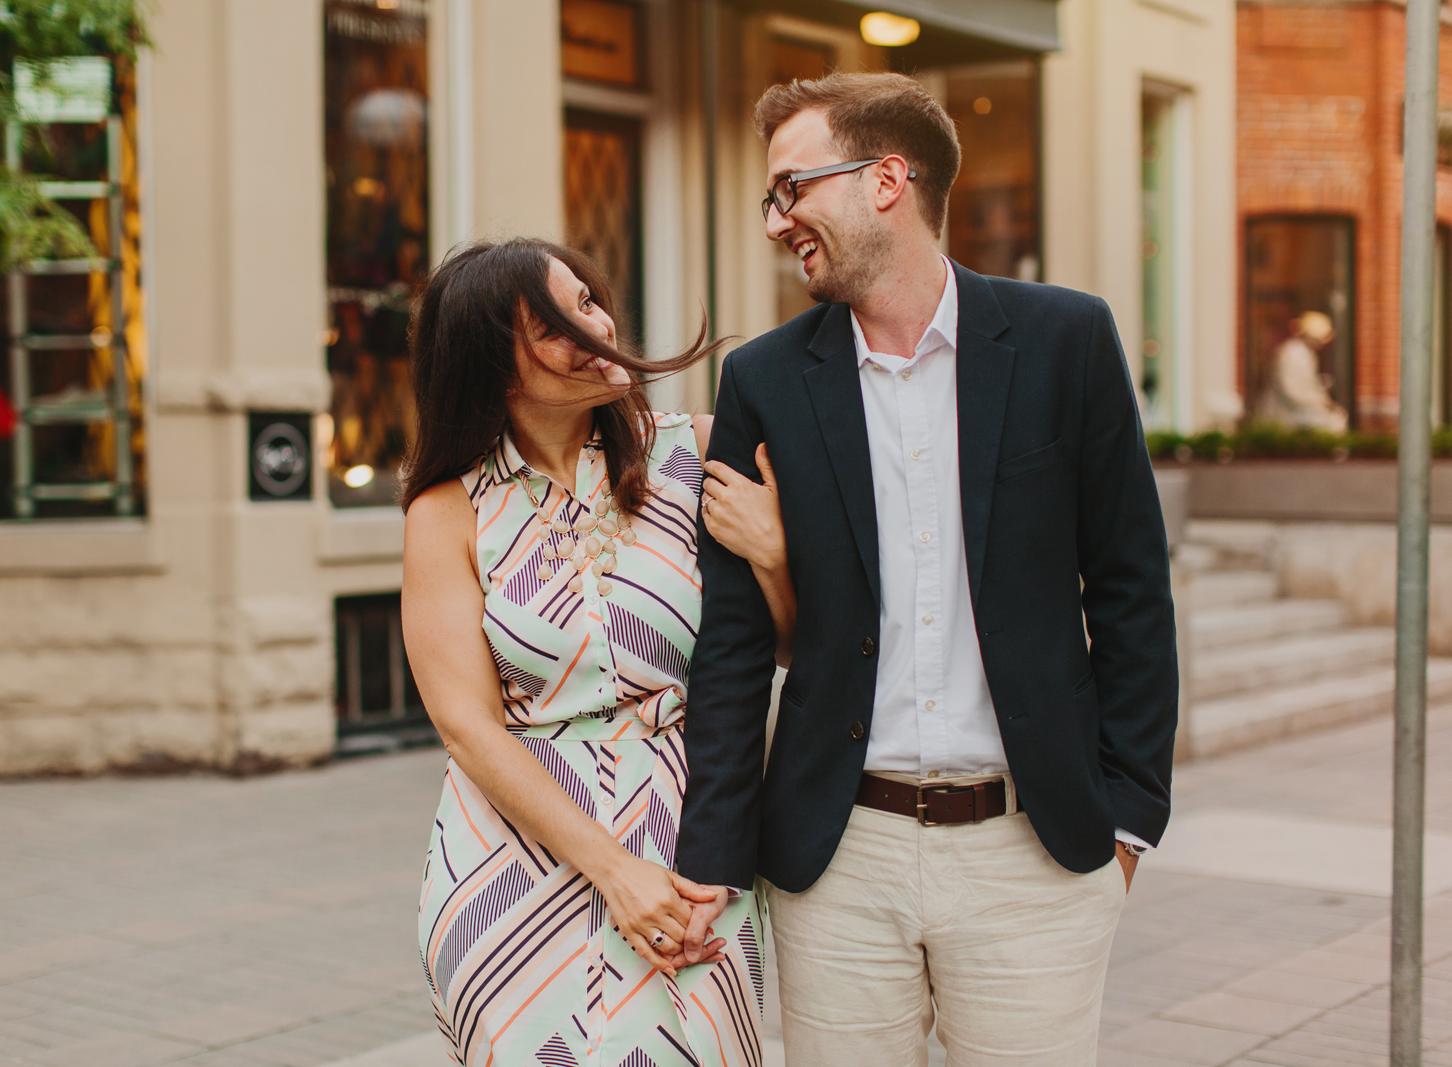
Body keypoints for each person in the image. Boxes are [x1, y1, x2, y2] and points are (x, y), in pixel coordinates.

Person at [676, 72, 1178, 1065]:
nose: (777, 221)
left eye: (791, 188)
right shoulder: (763, 380)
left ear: (885, 178)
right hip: (838, 853)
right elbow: (731, 647)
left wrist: (1128, 820)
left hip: (1032, 848)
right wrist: (714, 861)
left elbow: (1129, 589)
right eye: (770, 197)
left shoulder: (1064, 340)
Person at [400, 238, 792, 1066]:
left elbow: (787, 643)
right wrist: (613, 870)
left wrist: (775, 557)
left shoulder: (698, 455)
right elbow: (469, 729)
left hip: (693, 845)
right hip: (514, 867)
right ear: (494, 365)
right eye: (560, 319)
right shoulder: (449, 510)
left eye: (590, 299)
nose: (599, 324)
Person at [1255, 310, 1348, 433]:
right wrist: (1318, 403)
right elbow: (1291, 391)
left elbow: (1310, 386)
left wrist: (1323, 401)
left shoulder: (1306, 353)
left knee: (1337, 416)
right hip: (1286, 413)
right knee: (1333, 421)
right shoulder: (1292, 353)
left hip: (1300, 408)